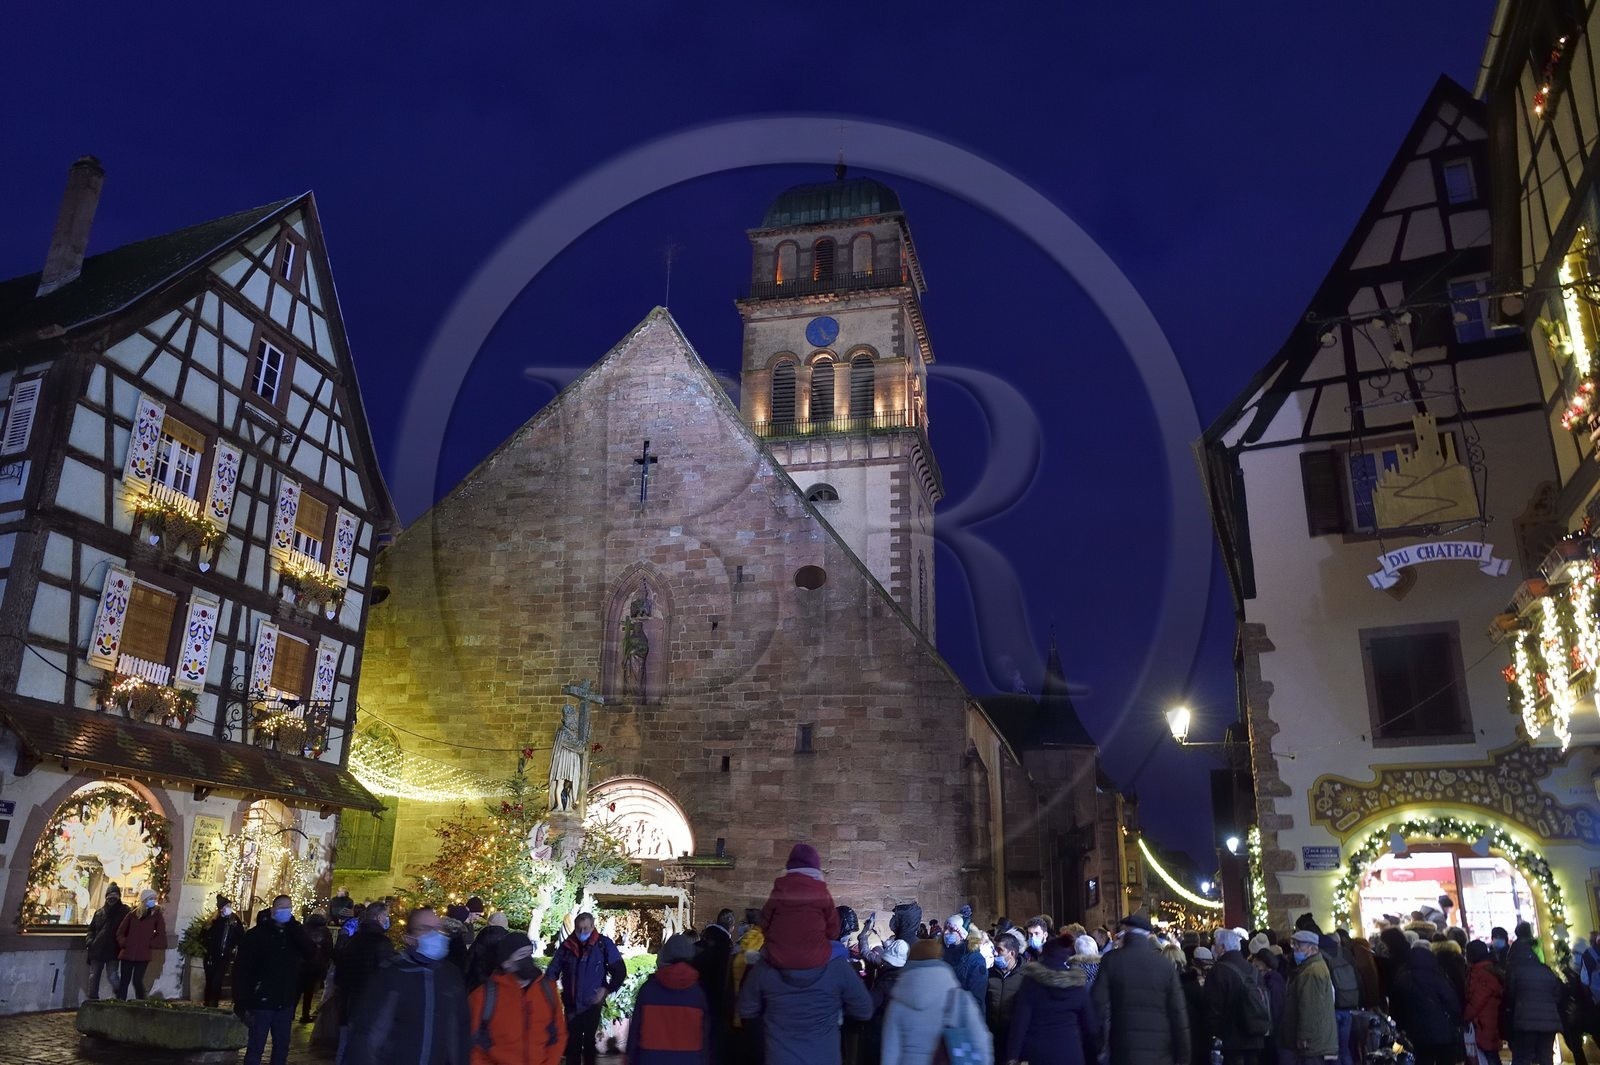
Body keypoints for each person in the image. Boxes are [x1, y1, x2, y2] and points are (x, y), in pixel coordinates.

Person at [344, 906, 471, 1065]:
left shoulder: (451, 976)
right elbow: (368, 1036)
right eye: (425, 928)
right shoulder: (392, 973)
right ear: (410, 938)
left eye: (438, 928)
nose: (435, 934)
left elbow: (459, 1033)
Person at [736, 936, 872, 1065]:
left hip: (780, 1056)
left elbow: (746, 1009)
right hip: (824, 1056)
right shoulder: (837, 965)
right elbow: (864, 1010)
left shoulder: (766, 964)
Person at [1089, 912, 1189, 1065]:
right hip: (1160, 1053)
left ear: (1126, 934)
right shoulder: (1164, 965)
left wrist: (1097, 1047)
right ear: (1148, 936)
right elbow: (1178, 1014)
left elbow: (1097, 1007)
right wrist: (1183, 1057)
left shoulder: (1111, 961)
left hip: (1124, 1050)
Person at [879, 938, 991, 1065]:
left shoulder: (897, 1002)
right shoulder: (960, 999)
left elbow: (890, 1054)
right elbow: (981, 1044)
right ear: (940, 959)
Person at [467, 931, 565, 1065]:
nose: (528, 960)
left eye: (529, 953)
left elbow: (558, 1034)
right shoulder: (483, 997)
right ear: (506, 963)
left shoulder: (547, 989)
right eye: (522, 955)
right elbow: (473, 1046)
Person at [233, 894, 310, 1065]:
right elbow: (242, 969)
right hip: (262, 1000)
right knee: (255, 1047)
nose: (286, 911)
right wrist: (241, 999)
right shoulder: (256, 935)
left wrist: (295, 929)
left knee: (281, 1048)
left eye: (288, 907)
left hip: (285, 1000)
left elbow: (310, 952)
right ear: (273, 909)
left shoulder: (293, 933)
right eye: (282, 907)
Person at [1005, 938, 1099, 1065]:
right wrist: (1093, 1057)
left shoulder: (1031, 983)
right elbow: (1090, 1026)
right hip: (1071, 1052)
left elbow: (1020, 1022)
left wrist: (1012, 1056)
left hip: (1039, 1053)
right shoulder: (1076, 984)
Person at [552, 911, 626, 1065]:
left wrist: (606, 990)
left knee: (589, 1041)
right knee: (573, 1042)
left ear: (593, 926)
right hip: (572, 1002)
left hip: (592, 1002)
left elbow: (619, 970)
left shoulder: (603, 944)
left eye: (586, 928)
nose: (582, 932)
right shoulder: (567, 946)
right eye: (579, 929)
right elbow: (553, 969)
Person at [628, 933, 711, 1065]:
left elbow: (635, 1033)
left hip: (650, 1059)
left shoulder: (648, 990)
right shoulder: (698, 994)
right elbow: (705, 1037)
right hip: (689, 1059)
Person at [759, 843, 839, 971]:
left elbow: (764, 921)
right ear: (816, 867)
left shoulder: (780, 889)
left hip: (778, 957)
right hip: (816, 958)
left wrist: (775, 938)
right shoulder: (822, 892)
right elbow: (833, 930)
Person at [333, 900, 394, 1063]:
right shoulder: (382, 944)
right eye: (387, 916)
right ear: (380, 917)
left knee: (345, 1048)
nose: (387, 920)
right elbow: (387, 979)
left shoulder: (353, 940)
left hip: (349, 1003)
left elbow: (340, 974)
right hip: (369, 1008)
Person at [1390, 941, 1463, 1065]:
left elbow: (1396, 1007)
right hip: (1442, 1031)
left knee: (1422, 1060)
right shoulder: (1438, 976)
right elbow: (1451, 1001)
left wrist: (1401, 1026)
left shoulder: (1403, 977)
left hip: (1416, 1033)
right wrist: (1456, 1020)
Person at [1206, 929, 1269, 1065]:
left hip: (1231, 1042)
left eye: (1215, 944)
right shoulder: (1253, 970)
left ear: (1222, 947)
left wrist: (1213, 1036)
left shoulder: (1218, 971)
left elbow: (1213, 1010)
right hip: (1255, 1037)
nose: (1214, 947)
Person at [1503, 937, 1562, 1065]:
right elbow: (1557, 993)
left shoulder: (1516, 972)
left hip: (1525, 1022)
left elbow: (1510, 997)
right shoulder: (1546, 969)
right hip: (1548, 1021)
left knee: (1523, 1058)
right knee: (1546, 1057)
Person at [1285, 929, 1338, 1065]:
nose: (1295, 948)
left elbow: (1310, 1007)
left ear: (1312, 948)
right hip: (1319, 1040)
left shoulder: (1311, 972)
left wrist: (1304, 1036)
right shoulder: (1314, 967)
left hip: (1313, 1043)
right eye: (1294, 944)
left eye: (1300, 945)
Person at [114, 888, 166, 1000]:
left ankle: (141, 1002)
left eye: (154, 898)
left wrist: (149, 943)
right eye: (150, 899)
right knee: (124, 981)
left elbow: (161, 934)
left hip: (143, 954)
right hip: (128, 953)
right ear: (144, 900)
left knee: (137, 981)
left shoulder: (156, 915)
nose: (153, 901)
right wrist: (124, 942)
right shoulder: (132, 914)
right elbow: (120, 932)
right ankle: (120, 1004)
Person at [84, 884, 128, 1002]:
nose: (111, 898)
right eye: (109, 896)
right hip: (97, 949)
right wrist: (90, 941)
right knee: (94, 976)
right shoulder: (99, 912)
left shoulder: (125, 912)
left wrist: (122, 944)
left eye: (114, 895)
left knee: (112, 975)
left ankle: (120, 996)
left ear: (119, 897)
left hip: (113, 950)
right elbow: (91, 929)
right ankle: (92, 999)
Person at [1319, 933, 1358, 1065]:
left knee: (1332, 1052)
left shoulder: (1320, 957)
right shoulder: (1345, 953)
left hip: (1331, 1009)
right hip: (1348, 1005)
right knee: (1345, 1049)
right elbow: (1358, 976)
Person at [1463, 941, 1504, 1065]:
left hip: (1484, 1023)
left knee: (1489, 1056)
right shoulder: (1485, 969)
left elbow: (1478, 1000)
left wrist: (1465, 1016)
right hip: (1486, 1021)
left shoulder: (1482, 973)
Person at [987, 929, 1025, 1051]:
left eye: (1000, 950)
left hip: (1013, 1036)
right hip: (992, 1036)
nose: (996, 954)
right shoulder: (989, 973)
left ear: (1012, 954)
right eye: (995, 949)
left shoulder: (1025, 976)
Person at [1251, 948, 1291, 1065]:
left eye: (1257, 965)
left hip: (1272, 1032)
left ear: (1263, 964)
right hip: (1272, 1030)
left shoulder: (1272, 981)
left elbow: (1276, 1007)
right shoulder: (1274, 979)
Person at [300, 912, 334, 1024]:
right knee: (309, 992)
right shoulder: (325, 931)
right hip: (316, 965)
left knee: (296, 990)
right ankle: (305, 1014)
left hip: (301, 964)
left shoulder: (303, 929)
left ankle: (290, 1014)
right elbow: (328, 949)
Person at [952, 925, 988, 1007]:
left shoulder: (977, 960)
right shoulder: (955, 955)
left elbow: (976, 997)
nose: (946, 933)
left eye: (952, 930)